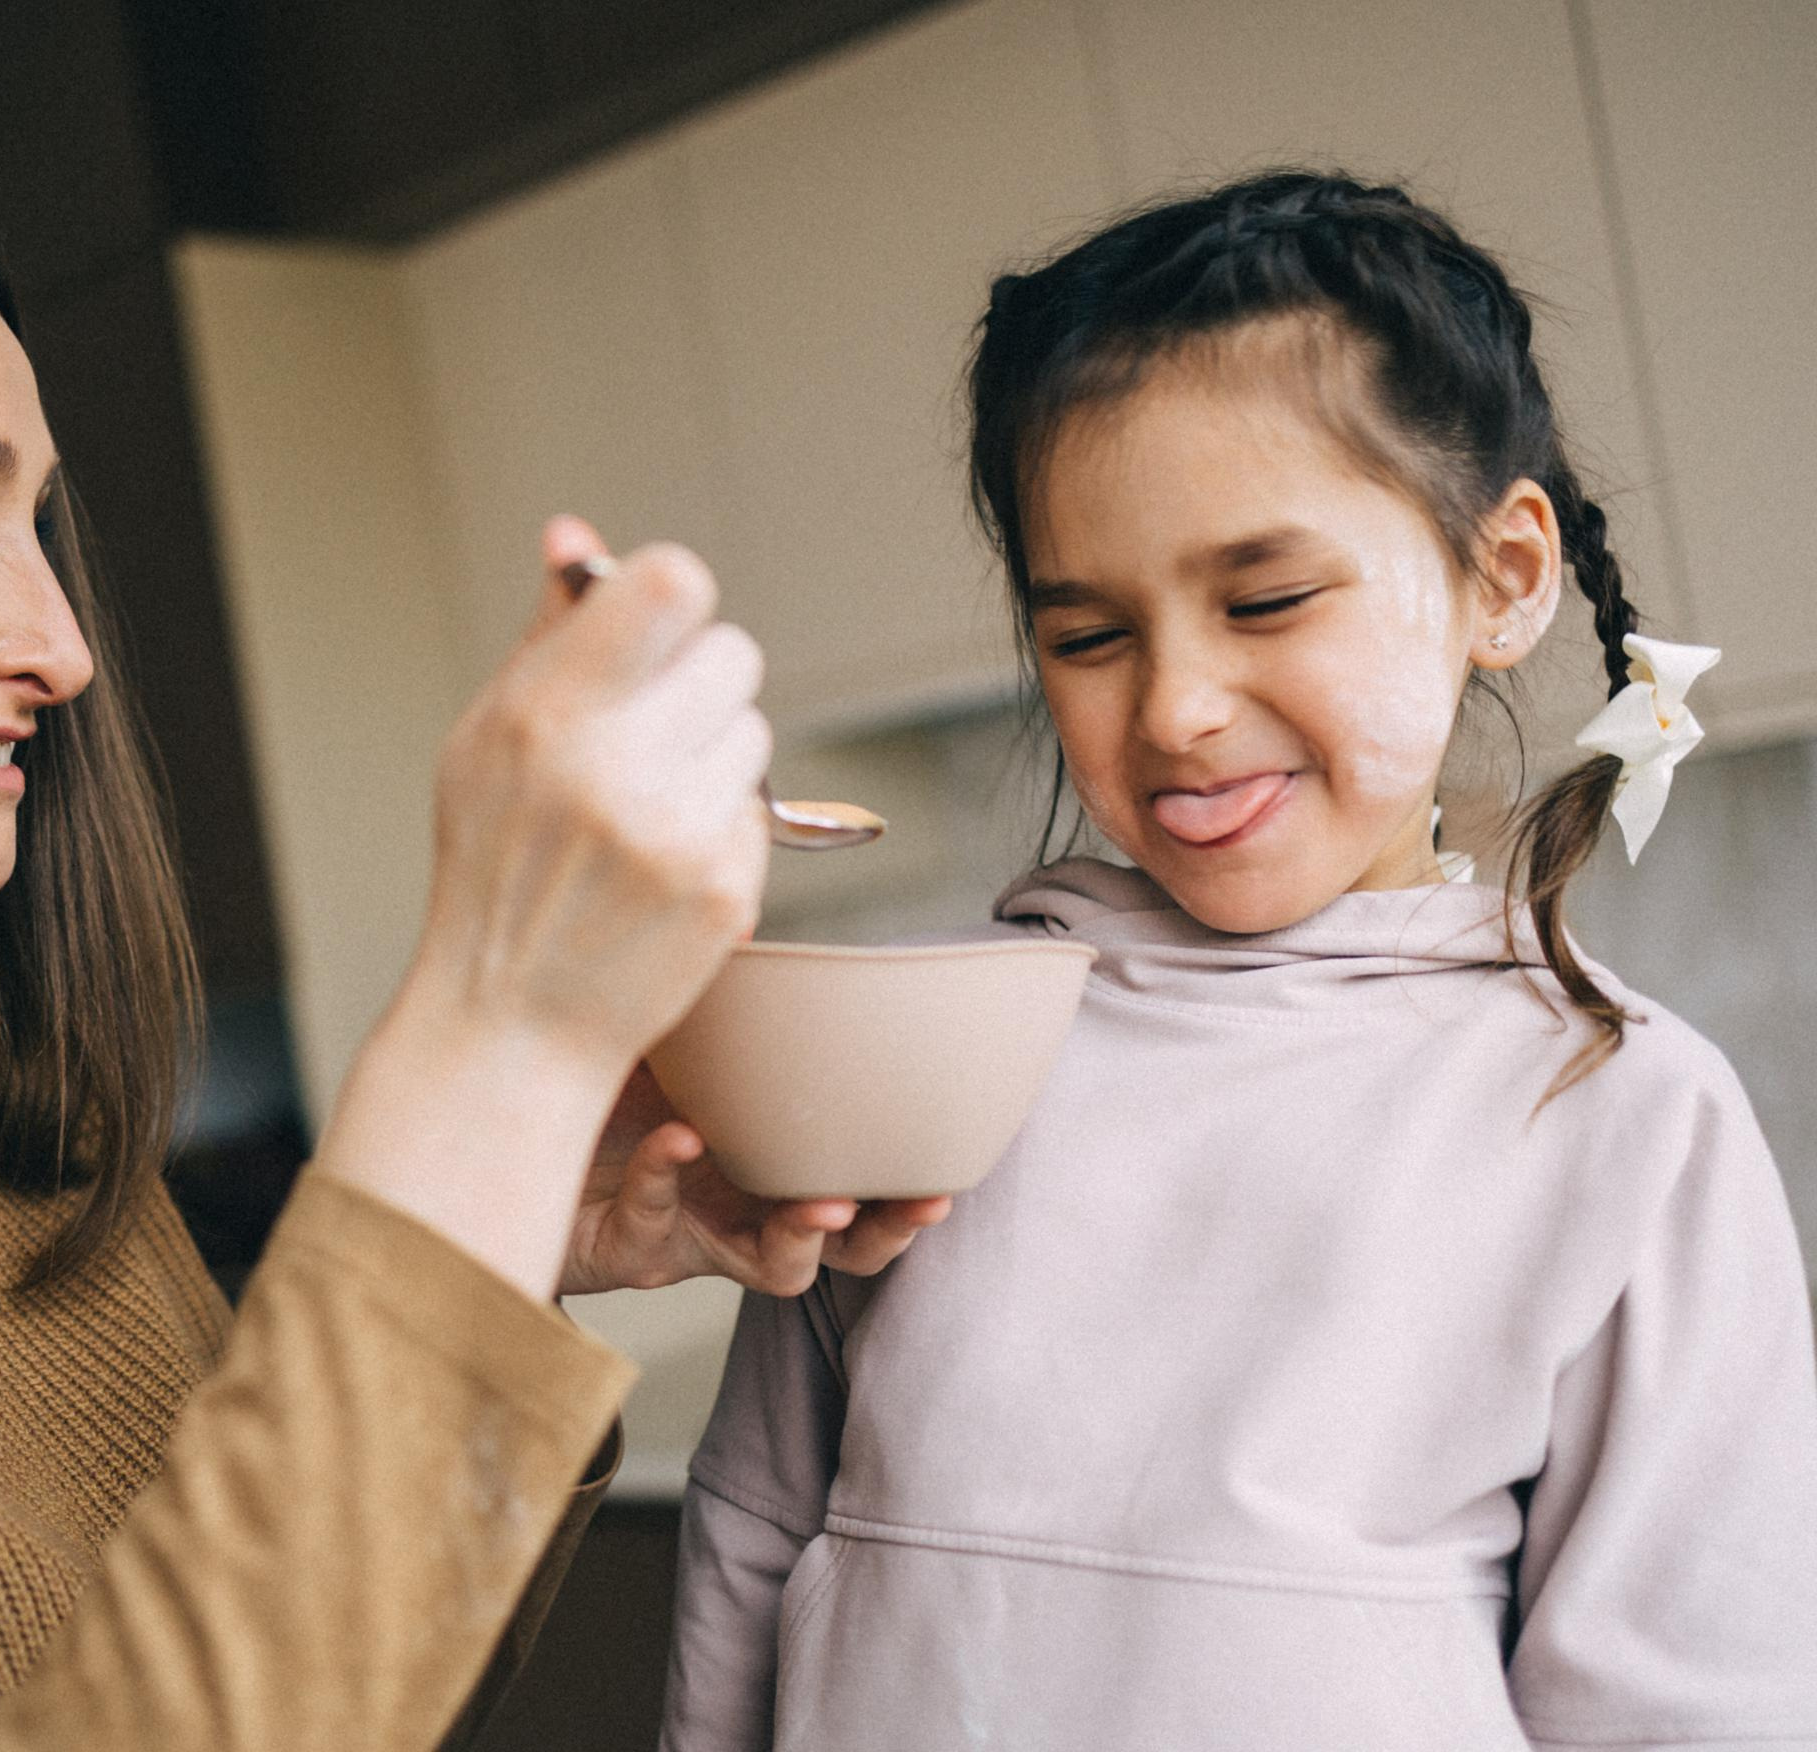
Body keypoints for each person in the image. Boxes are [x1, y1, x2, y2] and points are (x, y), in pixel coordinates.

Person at [0, 109, 947, 1751]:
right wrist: (492, 1042)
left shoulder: (5, 1123)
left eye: (38, 527)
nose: (62, 646)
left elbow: (320, 1697)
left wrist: (511, 1235)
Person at [661, 172, 1817, 1749]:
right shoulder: (924, 1050)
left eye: (1265, 600)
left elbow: (1687, 1707)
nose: (1176, 708)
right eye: (1087, 636)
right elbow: (746, 1550)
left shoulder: (1626, 1113)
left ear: (1504, 578)